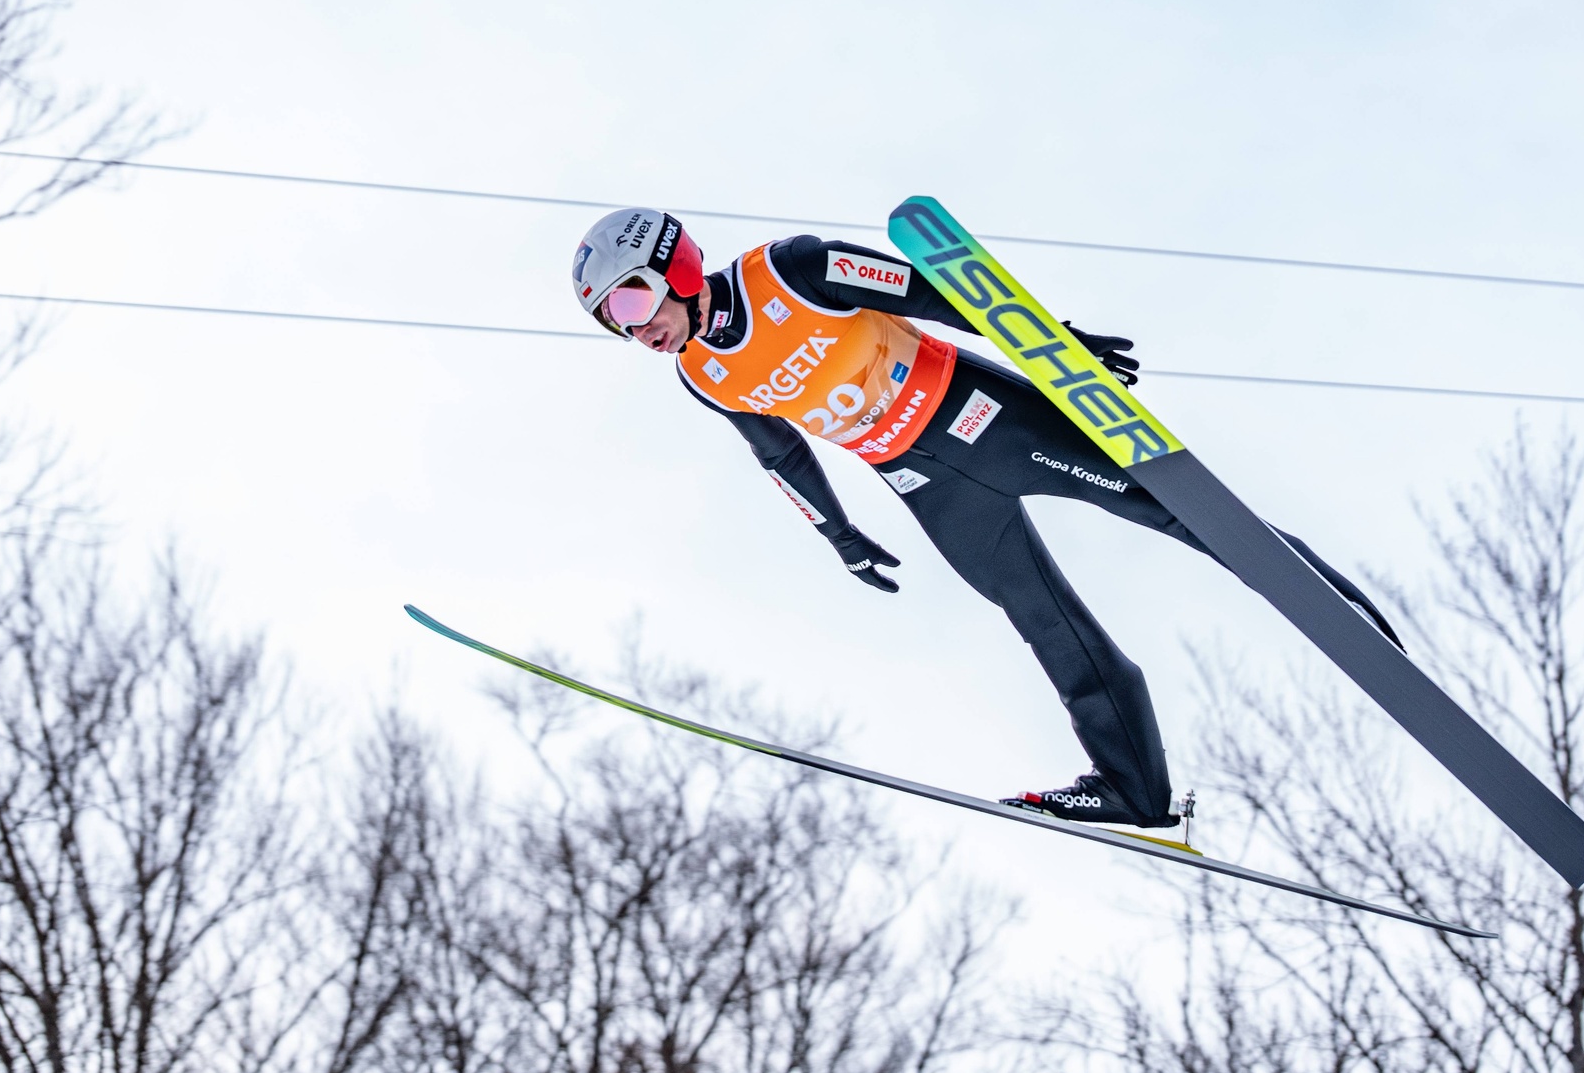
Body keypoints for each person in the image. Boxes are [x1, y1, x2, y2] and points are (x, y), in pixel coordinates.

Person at [570, 207, 1400, 829]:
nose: (635, 327)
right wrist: (838, 533)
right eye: (613, 319)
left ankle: (1346, 616)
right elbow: (781, 455)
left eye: (635, 298)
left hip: (988, 419)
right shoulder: (705, 374)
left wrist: (1056, 345)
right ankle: (1133, 789)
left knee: (1182, 515)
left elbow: (931, 291)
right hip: (925, 484)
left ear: (676, 266)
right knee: (1046, 623)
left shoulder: (789, 271)